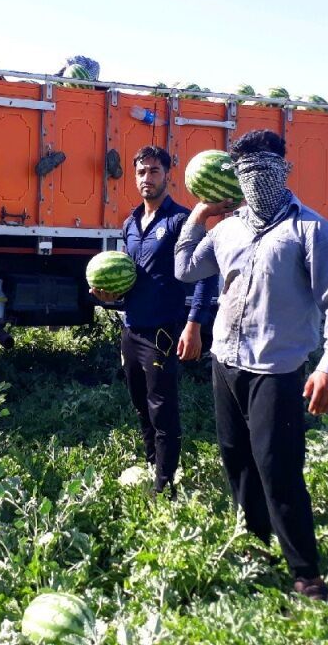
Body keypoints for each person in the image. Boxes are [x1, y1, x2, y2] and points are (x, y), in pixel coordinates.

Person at [174, 129, 328, 602]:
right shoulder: (227, 229)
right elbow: (185, 269)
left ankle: (306, 573)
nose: (256, 181)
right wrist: (197, 217)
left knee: (278, 467)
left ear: (284, 170)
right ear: (235, 177)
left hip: (276, 368)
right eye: (246, 172)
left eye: (265, 170)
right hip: (225, 362)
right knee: (236, 457)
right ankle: (255, 541)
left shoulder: (313, 230)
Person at [92, 145, 217, 496]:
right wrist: (108, 296)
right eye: (141, 172)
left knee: (162, 408)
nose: (147, 178)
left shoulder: (181, 220)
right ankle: (153, 464)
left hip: (163, 330)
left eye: (155, 171)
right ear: (135, 177)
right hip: (131, 329)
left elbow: (207, 274)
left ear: (167, 175)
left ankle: (166, 485)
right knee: (140, 403)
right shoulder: (130, 223)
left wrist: (194, 323)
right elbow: (130, 278)